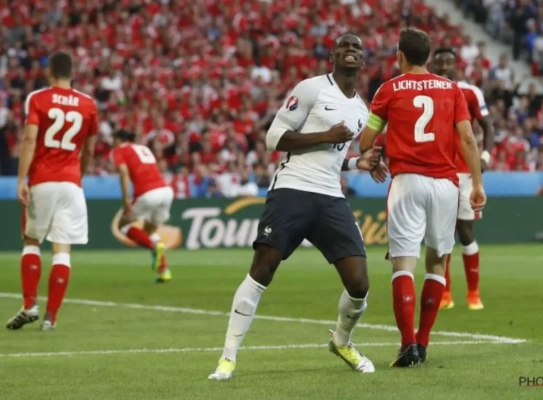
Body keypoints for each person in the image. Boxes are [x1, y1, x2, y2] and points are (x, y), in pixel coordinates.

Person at [208, 33, 387, 381]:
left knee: (359, 283)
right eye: (344, 46)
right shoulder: (310, 89)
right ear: (333, 56)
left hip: (330, 196)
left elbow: (332, 158)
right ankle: (228, 357)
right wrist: (326, 135)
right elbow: (273, 138)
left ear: (363, 60)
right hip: (292, 189)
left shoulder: (362, 110)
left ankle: (342, 342)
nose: (351, 51)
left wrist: (357, 163)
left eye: (357, 48)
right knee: (263, 269)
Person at [359, 28, 486, 367]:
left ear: (400, 55)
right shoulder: (452, 89)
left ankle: (407, 344)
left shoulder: (388, 89)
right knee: (437, 263)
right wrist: (476, 183)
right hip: (446, 185)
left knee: (404, 263)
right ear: (429, 57)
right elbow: (468, 140)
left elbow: (366, 140)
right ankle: (424, 343)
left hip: (407, 183)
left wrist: (374, 156)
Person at [6, 52, 98, 331]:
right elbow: (89, 150)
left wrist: (21, 179)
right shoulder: (89, 103)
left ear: (50, 73)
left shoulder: (38, 98)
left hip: (43, 179)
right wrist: (77, 176)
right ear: (72, 73)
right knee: (62, 248)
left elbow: (30, 139)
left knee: (32, 240)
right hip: (72, 183)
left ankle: (29, 304)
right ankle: (51, 317)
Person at [431, 48, 495, 311]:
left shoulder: (470, 92)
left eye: (449, 62)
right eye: (439, 63)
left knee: (466, 232)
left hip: (465, 171)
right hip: (436, 171)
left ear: (456, 65)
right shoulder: (427, 91)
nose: (444, 67)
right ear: (433, 66)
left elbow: (488, 125)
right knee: (441, 233)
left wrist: (485, 156)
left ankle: (473, 294)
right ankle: (445, 294)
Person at [111, 129, 174, 283]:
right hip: (165, 191)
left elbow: (123, 172)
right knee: (150, 231)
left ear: (118, 139)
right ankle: (163, 271)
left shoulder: (119, 150)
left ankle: (153, 247)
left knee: (123, 225)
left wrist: (126, 198)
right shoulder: (143, 148)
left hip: (147, 193)